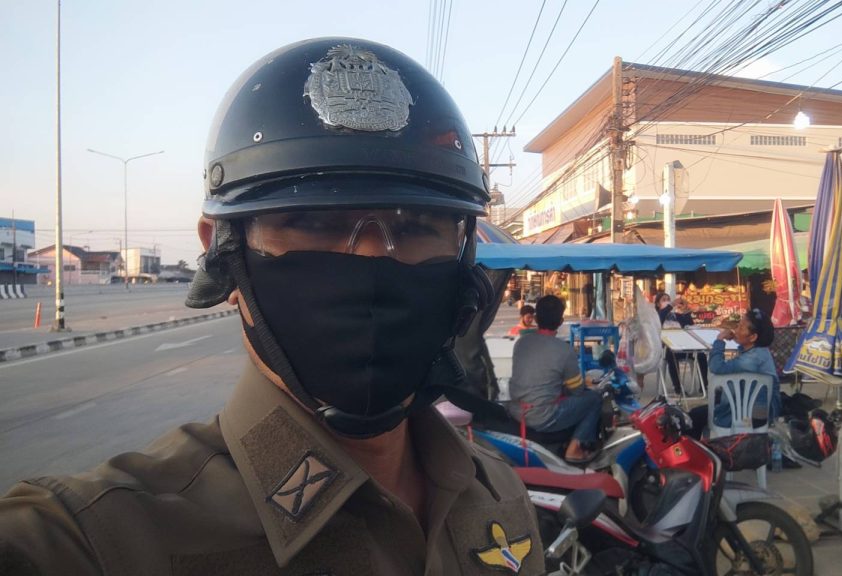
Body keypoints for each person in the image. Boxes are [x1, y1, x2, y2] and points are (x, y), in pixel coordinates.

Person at [0, 38, 543, 575]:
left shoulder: (500, 491)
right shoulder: (102, 538)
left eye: (417, 227)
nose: (374, 260)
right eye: (314, 222)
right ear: (221, 250)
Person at [508, 295, 601, 464]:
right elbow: (577, 390)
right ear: (560, 321)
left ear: (536, 318)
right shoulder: (564, 350)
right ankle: (574, 449)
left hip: (516, 411)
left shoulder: (522, 343)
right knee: (594, 399)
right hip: (542, 417)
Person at [685, 308, 780, 440]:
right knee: (704, 409)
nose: (736, 329)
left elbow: (716, 366)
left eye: (741, 327)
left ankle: (694, 451)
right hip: (764, 414)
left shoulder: (750, 360)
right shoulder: (761, 353)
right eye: (738, 325)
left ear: (753, 337)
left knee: (694, 416)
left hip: (749, 417)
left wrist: (720, 340)